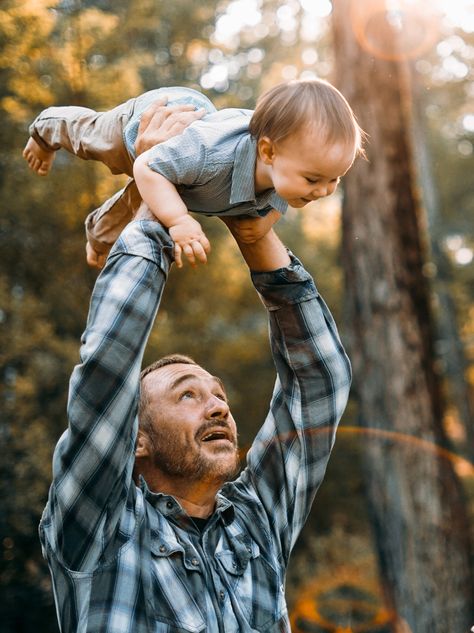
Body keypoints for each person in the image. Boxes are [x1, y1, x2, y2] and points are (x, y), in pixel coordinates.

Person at [38, 113, 352, 632]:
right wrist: (156, 206)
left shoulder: (258, 521)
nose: (218, 406)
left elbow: (320, 382)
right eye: (186, 396)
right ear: (134, 438)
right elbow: (108, 365)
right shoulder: (98, 525)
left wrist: (256, 239)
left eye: (217, 395)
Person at [24, 80, 364, 269]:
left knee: (147, 200)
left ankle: (99, 238)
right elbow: (146, 166)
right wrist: (180, 222)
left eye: (334, 180)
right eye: (313, 179)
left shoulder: (287, 169)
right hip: (153, 119)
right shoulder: (209, 157)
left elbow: (283, 192)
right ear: (268, 152)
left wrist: (267, 219)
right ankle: (45, 128)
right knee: (92, 137)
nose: (323, 191)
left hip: (183, 173)